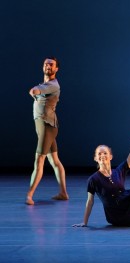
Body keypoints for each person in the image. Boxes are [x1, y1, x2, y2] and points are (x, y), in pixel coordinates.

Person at [26, 57, 68, 205]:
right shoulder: (46, 84)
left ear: (56, 69)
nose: (48, 66)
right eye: (45, 64)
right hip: (45, 125)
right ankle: (63, 193)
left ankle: (29, 195)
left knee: (40, 159)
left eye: (51, 64)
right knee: (54, 160)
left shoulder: (52, 85)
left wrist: (33, 92)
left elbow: (34, 90)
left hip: (47, 126)